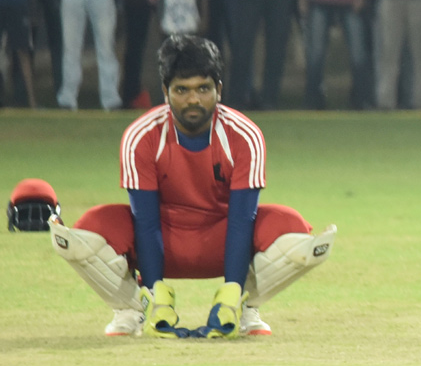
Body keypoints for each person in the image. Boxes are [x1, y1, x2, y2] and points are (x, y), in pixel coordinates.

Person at [49, 35, 337, 338]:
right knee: (85, 233)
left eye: (203, 88)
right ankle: (133, 309)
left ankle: (244, 309)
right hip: (162, 238)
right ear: (165, 92)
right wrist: (156, 293)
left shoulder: (244, 136)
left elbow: (242, 221)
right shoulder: (141, 137)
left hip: (221, 237)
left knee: (293, 229)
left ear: (219, 90)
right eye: (182, 90)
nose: (193, 100)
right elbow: (145, 224)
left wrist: (230, 293)